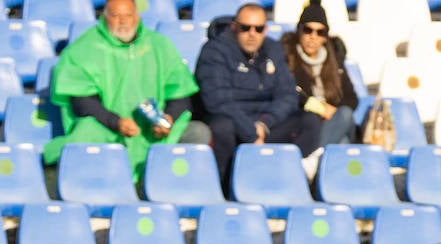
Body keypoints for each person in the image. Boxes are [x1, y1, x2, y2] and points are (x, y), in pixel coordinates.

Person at [43, 0, 211, 183]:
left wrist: (168, 118)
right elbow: (82, 102)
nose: (123, 21)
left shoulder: (160, 45)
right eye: (116, 16)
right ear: (104, 17)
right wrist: (116, 122)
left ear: (137, 17)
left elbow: (181, 93)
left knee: (199, 133)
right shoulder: (83, 48)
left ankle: (169, 185)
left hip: (151, 130)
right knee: (85, 132)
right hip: (107, 127)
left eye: (128, 15)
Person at [195, 3, 318, 195]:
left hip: (264, 123)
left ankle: (285, 182)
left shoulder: (273, 49)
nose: (252, 34)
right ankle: (226, 190)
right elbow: (217, 100)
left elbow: (287, 94)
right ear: (235, 27)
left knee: (309, 121)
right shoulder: (214, 51)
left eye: (258, 29)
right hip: (233, 121)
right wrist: (250, 132)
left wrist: (264, 124)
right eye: (245, 28)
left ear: (265, 29)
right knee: (221, 126)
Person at [282, 1, 358, 153]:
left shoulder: (335, 60)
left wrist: (331, 112)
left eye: (319, 32)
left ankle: (315, 160)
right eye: (308, 30)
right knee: (342, 141)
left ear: (325, 37)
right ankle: (319, 161)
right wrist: (319, 108)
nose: (313, 37)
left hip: (334, 121)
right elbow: (288, 93)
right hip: (306, 124)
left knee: (345, 114)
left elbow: (352, 98)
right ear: (299, 30)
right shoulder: (286, 58)